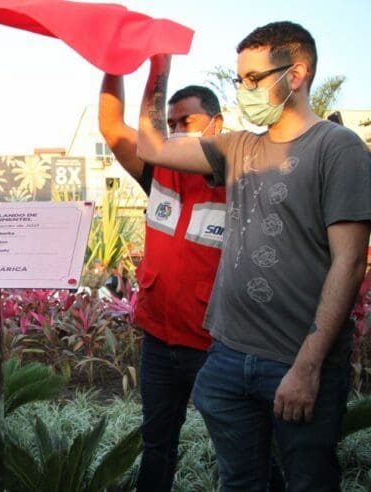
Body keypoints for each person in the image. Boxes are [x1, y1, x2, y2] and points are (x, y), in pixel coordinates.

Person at [136, 21, 371, 490]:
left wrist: (307, 367)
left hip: (297, 360)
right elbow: (152, 146)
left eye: (254, 79)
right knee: (239, 482)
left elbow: (349, 262)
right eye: (240, 80)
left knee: (308, 482)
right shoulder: (238, 147)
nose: (244, 91)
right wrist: (158, 64)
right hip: (226, 359)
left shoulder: (337, 148)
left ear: (297, 74)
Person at [99, 76, 225, 490]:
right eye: (170, 123)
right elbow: (112, 128)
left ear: (216, 125)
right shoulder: (158, 174)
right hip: (158, 341)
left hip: (215, 345)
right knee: (157, 446)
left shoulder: (240, 180)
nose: (176, 131)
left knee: (240, 448)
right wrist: (119, 66)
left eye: (187, 121)